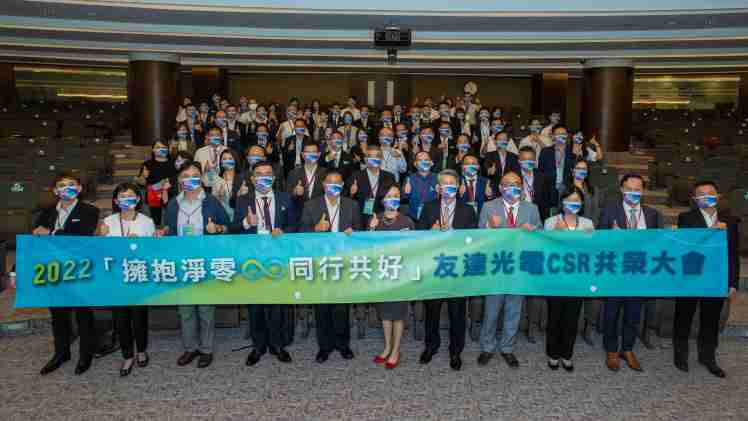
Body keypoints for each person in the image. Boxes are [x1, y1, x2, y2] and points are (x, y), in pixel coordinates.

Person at [161, 162, 230, 369]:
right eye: (186, 175)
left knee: (206, 309)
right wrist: (164, 232)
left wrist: (218, 228)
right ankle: (190, 348)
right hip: (182, 263)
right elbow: (168, 229)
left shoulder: (211, 201)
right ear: (179, 180)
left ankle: (206, 349)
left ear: (201, 178)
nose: (190, 179)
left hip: (205, 262)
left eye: (194, 175)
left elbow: (228, 227)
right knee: (185, 310)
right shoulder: (173, 204)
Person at [231, 161, 297, 366]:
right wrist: (246, 223)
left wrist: (283, 232)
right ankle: (258, 346)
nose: (264, 177)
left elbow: (295, 225)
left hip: (278, 259)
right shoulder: (243, 200)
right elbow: (233, 229)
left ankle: (278, 345)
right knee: (255, 304)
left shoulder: (285, 198)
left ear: (274, 178)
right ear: (252, 179)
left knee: (277, 304)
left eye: (268, 173)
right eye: (259, 174)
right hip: (253, 260)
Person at [35, 173, 100, 376]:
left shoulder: (90, 211)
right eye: (62, 185)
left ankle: (85, 354)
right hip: (53, 268)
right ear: (55, 191)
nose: (67, 188)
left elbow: (81, 237)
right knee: (58, 315)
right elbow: (36, 238)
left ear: (79, 188)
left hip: (79, 268)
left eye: (71, 184)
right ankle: (61, 353)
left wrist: (51, 233)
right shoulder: (46, 212)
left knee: (83, 313)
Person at [673, 181, 739, 378]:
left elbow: (733, 254)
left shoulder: (730, 222)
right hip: (691, 277)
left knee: (710, 321)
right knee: (683, 318)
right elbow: (682, 246)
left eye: (710, 193)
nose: (706, 196)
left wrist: (733, 282)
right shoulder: (685, 218)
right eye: (701, 194)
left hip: (716, 278)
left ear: (718, 196)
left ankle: (708, 358)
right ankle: (680, 356)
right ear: (695, 199)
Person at [476, 171, 541, 369]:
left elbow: (541, 236)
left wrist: (534, 232)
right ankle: (487, 347)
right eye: (508, 184)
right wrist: (490, 227)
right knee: (491, 311)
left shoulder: (531, 208)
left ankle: (507, 348)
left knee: (514, 310)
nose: (513, 187)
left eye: (517, 184)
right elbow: (478, 237)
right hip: (496, 266)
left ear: (522, 187)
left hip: (519, 267)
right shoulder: (488, 207)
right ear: (500, 188)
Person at [598, 173, 662, 372]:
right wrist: (611, 237)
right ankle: (611, 349)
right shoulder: (610, 211)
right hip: (616, 272)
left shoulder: (652, 214)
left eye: (637, 189)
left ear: (643, 191)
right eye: (629, 189)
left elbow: (658, 243)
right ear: (621, 189)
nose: (633, 193)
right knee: (611, 313)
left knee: (633, 314)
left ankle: (627, 349)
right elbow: (598, 240)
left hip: (639, 272)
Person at [416, 169, 477, 371]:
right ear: (438, 188)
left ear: (458, 187)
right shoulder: (428, 207)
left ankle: (455, 351)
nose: (448, 187)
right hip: (434, 268)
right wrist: (430, 233)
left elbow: (474, 240)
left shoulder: (468, 210)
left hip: (457, 269)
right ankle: (431, 346)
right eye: (445, 184)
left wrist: (456, 236)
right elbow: (418, 236)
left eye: (452, 184)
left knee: (457, 313)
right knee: (431, 311)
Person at [300, 171, 362, 363]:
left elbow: (360, 232)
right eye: (329, 183)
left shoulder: (352, 205)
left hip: (343, 262)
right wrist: (315, 229)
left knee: (342, 307)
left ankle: (343, 345)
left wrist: (353, 233)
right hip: (321, 262)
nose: (333, 186)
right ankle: (324, 346)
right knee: (322, 307)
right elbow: (301, 233)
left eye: (337, 183)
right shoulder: (311, 205)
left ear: (342, 185)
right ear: (323, 184)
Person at [99, 183, 156, 377]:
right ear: (116, 201)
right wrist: (101, 237)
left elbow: (153, 251)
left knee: (140, 317)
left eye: (130, 195)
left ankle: (141, 351)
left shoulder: (147, 222)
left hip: (139, 275)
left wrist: (140, 245)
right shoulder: (108, 221)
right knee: (120, 319)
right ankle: (127, 355)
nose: (126, 199)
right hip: (116, 277)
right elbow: (100, 251)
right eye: (122, 196)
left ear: (138, 199)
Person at [543, 187, 594, 371]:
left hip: (577, 280)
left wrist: (568, 236)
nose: (573, 204)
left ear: (582, 203)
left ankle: (567, 354)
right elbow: (545, 250)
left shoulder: (588, 224)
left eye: (576, 200)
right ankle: (553, 354)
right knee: (554, 318)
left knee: (572, 319)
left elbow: (589, 251)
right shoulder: (551, 222)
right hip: (556, 279)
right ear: (562, 202)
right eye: (569, 200)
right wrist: (555, 235)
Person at [369, 185, 415, 370]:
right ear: (382, 199)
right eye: (389, 195)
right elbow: (367, 248)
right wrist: (371, 230)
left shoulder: (407, 221)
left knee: (398, 314)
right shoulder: (375, 219)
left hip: (400, 273)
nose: (393, 198)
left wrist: (409, 239)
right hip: (382, 272)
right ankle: (387, 347)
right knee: (385, 314)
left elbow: (417, 248)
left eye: (396, 195)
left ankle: (396, 350)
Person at [565, 159, 603, 345]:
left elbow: (597, 216)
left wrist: (591, 235)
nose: (581, 171)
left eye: (584, 169)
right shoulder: (564, 188)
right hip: (567, 243)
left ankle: (590, 324)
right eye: (578, 168)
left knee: (591, 285)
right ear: (572, 170)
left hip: (589, 240)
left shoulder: (594, 191)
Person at [347, 144, 397, 222]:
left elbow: (395, 199)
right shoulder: (356, 176)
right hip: (362, 219)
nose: (374, 159)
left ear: (381, 159)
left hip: (383, 218)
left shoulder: (390, 177)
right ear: (365, 159)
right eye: (370, 156)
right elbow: (347, 200)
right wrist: (351, 193)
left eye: (377, 156)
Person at [135, 141, 176, 227]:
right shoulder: (147, 164)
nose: (161, 149)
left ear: (168, 149)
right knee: (154, 224)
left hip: (172, 197)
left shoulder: (174, 163)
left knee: (171, 223)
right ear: (153, 150)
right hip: (153, 198)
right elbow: (141, 183)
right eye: (158, 147)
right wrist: (143, 176)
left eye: (164, 147)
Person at [538, 124, 576, 204]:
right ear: (553, 136)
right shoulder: (545, 152)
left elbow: (574, 172)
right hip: (549, 190)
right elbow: (540, 172)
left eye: (563, 134)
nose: (561, 136)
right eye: (558, 134)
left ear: (567, 136)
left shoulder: (572, 153)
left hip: (567, 191)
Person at [402, 151, 438, 222]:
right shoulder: (409, 179)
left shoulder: (438, 178)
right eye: (420, 160)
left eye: (426, 160)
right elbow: (403, 197)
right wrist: (406, 193)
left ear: (431, 162)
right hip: (413, 218)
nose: (423, 162)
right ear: (415, 164)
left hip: (433, 218)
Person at [194, 127, 228, 192]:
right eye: (212, 135)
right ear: (208, 137)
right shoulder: (199, 152)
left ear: (222, 137)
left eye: (217, 135)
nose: (215, 137)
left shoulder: (228, 151)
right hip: (205, 187)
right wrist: (204, 168)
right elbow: (194, 171)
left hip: (223, 187)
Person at [213, 149, 243, 220]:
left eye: (230, 158)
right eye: (224, 159)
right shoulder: (216, 179)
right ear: (221, 162)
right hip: (221, 217)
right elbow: (213, 202)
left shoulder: (242, 179)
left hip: (239, 217)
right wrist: (219, 196)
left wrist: (239, 195)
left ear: (235, 160)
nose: (227, 161)